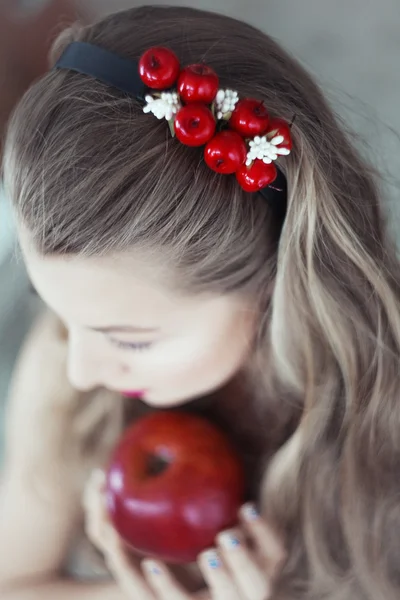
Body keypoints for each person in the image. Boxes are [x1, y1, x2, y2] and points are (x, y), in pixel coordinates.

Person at [1, 4, 400, 599]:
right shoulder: (60, 366)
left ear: (273, 280)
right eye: (54, 306)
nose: (80, 371)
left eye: (130, 338)